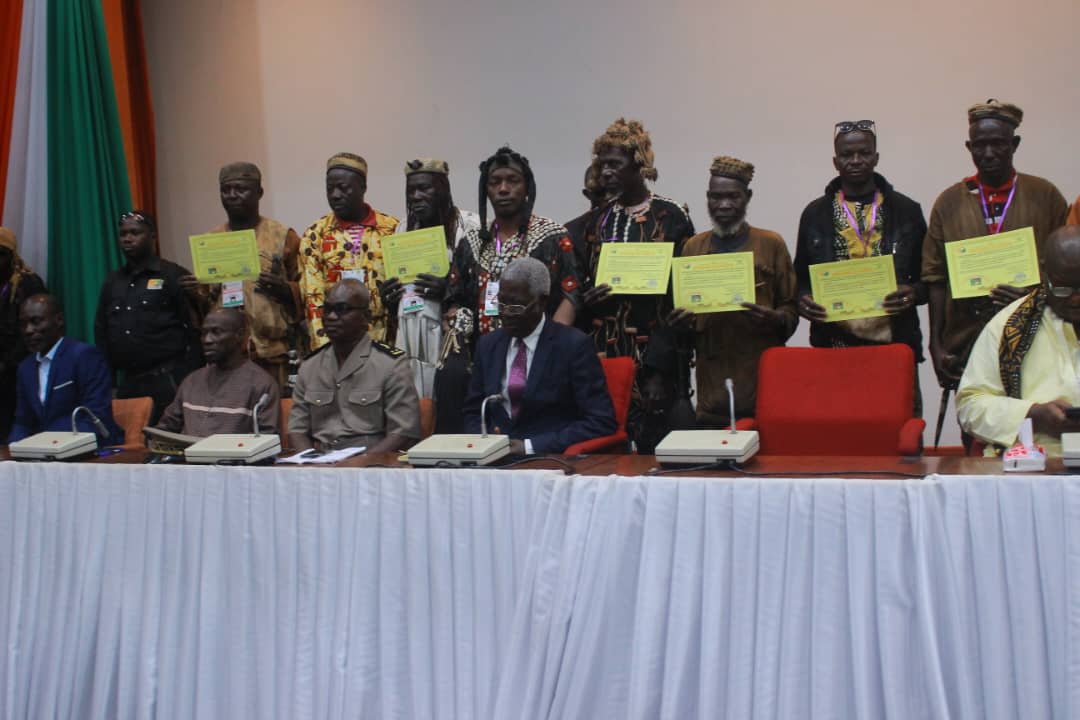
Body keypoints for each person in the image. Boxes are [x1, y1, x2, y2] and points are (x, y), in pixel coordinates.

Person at [923, 100, 1069, 394]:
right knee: (977, 425)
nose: (987, 154)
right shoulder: (949, 203)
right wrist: (936, 344)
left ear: (1014, 144)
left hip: (1035, 335)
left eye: (998, 144)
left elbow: (1066, 271)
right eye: (979, 145)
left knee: (1035, 422)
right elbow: (935, 278)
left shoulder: (1046, 196)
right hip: (967, 338)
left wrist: (1034, 297)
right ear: (969, 147)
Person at [440, 146, 581, 432]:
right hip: (484, 357)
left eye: (512, 181)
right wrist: (459, 330)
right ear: (486, 190)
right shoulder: (473, 242)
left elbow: (571, 292)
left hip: (537, 354)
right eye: (495, 182)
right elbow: (453, 297)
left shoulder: (551, 236)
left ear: (527, 187)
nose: (503, 189)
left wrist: (550, 348)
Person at [577, 118, 696, 452]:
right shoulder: (598, 219)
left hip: (657, 349)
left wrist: (660, 365)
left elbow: (680, 294)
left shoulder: (670, 215)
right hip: (608, 351)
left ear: (638, 165)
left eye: (615, 165)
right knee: (610, 443)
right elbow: (587, 279)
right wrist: (589, 298)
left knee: (656, 447)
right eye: (602, 166)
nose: (606, 173)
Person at [794, 120, 928, 411]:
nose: (856, 161)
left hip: (895, 345)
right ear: (835, 161)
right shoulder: (814, 214)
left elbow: (930, 279)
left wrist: (914, 293)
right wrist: (803, 301)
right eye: (847, 154)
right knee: (841, 432)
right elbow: (799, 279)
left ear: (876, 157)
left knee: (899, 427)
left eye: (864, 153)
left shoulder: (907, 211)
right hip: (834, 347)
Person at [675, 156, 798, 425]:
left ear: (748, 196)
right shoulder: (693, 248)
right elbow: (683, 320)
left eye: (733, 197)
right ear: (707, 198)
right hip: (711, 384)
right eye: (716, 197)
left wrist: (775, 318)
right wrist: (680, 323)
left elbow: (791, 307)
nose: (724, 205)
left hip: (760, 376)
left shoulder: (770, 244)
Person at [463, 258, 615, 454]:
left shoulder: (573, 346)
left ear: (542, 302)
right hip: (492, 460)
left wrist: (529, 447)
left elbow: (601, 421)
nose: (506, 314)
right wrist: (484, 444)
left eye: (516, 307)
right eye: (501, 304)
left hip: (548, 461)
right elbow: (473, 411)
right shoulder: (488, 345)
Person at [956, 225, 1080, 456]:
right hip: (1032, 466)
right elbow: (970, 406)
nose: (1075, 299)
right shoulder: (1010, 325)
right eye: (1063, 288)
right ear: (1045, 273)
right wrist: (1030, 414)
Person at [183, 162, 303, 388]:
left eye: (241, 189)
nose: (232, 195)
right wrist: (194, 295)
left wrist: (284, 289)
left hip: (272, 354)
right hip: (227, 358)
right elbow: (208, 304)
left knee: (274, 418)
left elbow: (307, 290)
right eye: (226, 190)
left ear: (259, 193)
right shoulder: (211, 242)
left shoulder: (282, 236)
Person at [379, 158, 480, 398]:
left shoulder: (469, 225)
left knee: (448, 399)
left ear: (443, 188)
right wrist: (390, 298)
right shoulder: (403, 228)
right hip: (410, 331)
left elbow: (482, 286)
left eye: (424, 188)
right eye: (411, 190)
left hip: (450, 332)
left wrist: (449, 290)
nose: (416, 196)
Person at [288, 279, 421, 453]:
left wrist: (360, 464)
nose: (331, 317)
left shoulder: (390, 364)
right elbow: (297, 430)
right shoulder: (310, 366)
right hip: (320, 464)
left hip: (371, 464)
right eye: (327, 309)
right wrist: (307, 463)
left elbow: (403, 432)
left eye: (342, 309)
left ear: (366, 317)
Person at [94, 210, 202, 424]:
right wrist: (109, 383)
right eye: (123, 233)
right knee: (129, 448)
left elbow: (194, 330)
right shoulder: (113, 282)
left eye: (135, 233)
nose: (127, 239)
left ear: (152, 236)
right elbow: (102, 333)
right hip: (128, 383)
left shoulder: (173, 275)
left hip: (167, 380)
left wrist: (188, 380)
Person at [299, 153, 399, 350]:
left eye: (343, 188)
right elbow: (313, 299)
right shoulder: (315, 235)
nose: (335, 195)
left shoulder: (392, 229)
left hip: (385, 340)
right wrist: (325, 353)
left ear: (363, 187)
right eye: (330, 189)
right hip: (336, 345)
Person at [9, 294, 122, 444]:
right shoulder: (26, 368)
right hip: (44, 453)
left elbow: (95, 417)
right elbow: (23, 422)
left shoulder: (84, 357)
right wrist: (14, 449)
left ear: (59, 320)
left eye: (36, 321)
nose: (28, 330)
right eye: (23, 324)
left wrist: (47, 443)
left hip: (88, 450)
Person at [155, 308, 279, 437]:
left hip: (232, 456)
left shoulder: (261, 384)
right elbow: (166, 428)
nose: (207, 340)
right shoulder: (192, 381)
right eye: (204, 333)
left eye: (216, 332)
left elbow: (267, 439)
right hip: (185, 456)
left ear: (239, 335)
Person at [0, 227, 46, 440]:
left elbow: (37, 330)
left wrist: (8, 362)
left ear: (12, 256)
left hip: (21, 371)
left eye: (1, 254)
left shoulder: (28, 283)